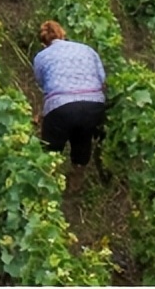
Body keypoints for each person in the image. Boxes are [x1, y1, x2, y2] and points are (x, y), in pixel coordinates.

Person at [32, 20, 107, 192]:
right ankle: (76, 178)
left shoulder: (41, 57)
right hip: (93, 104)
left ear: (43, 43)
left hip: (61, 106)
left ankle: (48, 181)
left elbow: (42, 83)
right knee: (83, 138)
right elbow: (102, 79)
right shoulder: (87, 49)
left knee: (51, 146)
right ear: (63, 34)